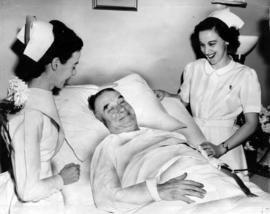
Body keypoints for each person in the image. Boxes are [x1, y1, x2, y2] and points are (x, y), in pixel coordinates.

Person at [88, 88, 264, 214]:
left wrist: (221, 167)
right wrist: (158, 190)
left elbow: (203, 158)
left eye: (121, 100)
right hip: (175, 188)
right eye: (108, 108)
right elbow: (106, 197)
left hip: (213, 178)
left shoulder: (166, 134)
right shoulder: (108, 146)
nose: (120, 108)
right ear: (100, 118)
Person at [154, 11, 261, 173]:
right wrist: (167, 96)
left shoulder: (245, 75)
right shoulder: (193, 68)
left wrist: (221, 148)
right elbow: (183, 102)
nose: (206, 50)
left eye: (212, 44)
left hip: (226, 145)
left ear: (226, 41)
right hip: (194, 138)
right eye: (202, 45)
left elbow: (251, 123)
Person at [0, 16, 83, 214]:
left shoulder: (33, 97)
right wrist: (62, 179)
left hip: (45, 195)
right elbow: (28, 191)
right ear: (55, 64)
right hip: (31, 206)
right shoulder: (31, 114)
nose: (74, 72)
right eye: (73, 65)